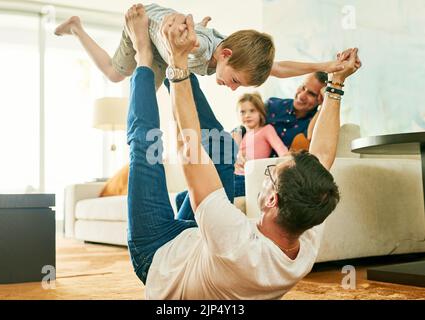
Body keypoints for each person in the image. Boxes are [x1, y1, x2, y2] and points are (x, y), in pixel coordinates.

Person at [125, 5, 361, 299]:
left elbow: (190, 146)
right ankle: (169, 52)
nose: (266, 172)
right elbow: (322, 158)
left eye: (271, 174)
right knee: (223, 147)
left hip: (158, 253)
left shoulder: (235, 241)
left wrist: (175, 62)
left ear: (272, 199)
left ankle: (145, 57)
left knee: (147, 145)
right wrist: (336, 82)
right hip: (200, 240)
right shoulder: (306, 222)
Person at [54, 3, 348, 91]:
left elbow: (280, 68)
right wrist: (191, 36)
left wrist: (326, 66)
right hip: (148, 25)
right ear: (225, 54)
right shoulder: (204, 48)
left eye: (238, 86)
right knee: (116, 73)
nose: (232, 88)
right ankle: (77, 27)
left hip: (167, 52)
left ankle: (77, 28)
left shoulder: (235, 58)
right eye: (234, 81)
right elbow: (198, 46)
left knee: (132, 85)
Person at [233, 92, 289, 197]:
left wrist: (287, 162)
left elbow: (281, 149)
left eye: (252, 111)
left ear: (260, 113)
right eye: (242, 112)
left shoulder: (266, 130)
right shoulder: (241, 134)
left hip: (247, 178)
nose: (247, 115)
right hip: (233, 175)